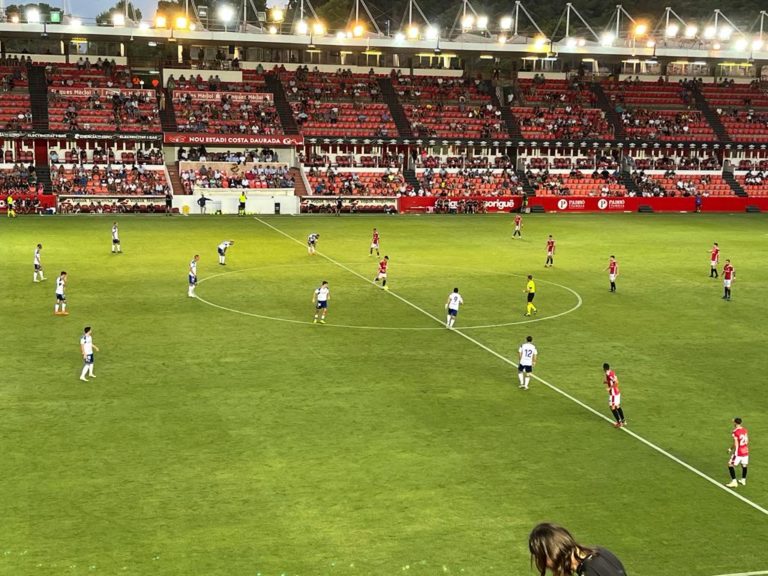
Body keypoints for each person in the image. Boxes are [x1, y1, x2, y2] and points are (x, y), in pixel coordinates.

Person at [528, 523, 627, 576]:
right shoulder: (601, 552)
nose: (544, 565)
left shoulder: (589, 572)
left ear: (553, 552)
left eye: (541, 558)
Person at [726, 417, 749, 488]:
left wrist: (730, 449)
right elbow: (747, 440)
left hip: (738, 452)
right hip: (745, 450)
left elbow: (736, 444)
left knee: (730, 465)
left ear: (735, 423)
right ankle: (743, 480)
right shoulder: (744, 430)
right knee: (744, 465)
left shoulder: (735, 432)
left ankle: (734, 482)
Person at [603, 362, 626, 427]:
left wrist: (609, 388)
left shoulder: (608, 374)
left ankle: (619, 423)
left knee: (612, 407)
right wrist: (607, 382)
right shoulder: (612, 372)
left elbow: (616, 382)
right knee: (617, 406)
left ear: (604, 369)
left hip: (613, 394)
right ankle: (623, 421)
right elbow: (614, 380)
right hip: (617, 392)